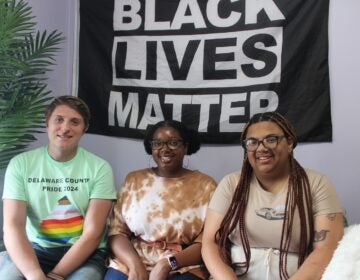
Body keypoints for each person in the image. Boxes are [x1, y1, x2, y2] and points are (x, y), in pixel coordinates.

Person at [201, 112, 344, 280]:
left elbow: (325, 249)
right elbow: (210, 242)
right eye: (252, 142)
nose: (261, 148)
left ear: (289, 143)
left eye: (271, 139)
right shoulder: (231, 184)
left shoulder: (317, 183)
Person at [0, 95, 117, 280]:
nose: (65, 128)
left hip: (83, 255)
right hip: (33, 250)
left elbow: (92, 234)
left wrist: (56, 275)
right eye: (59, 120)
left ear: (84, 129)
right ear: (47, 123)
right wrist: (34, 275)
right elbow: (13, 226)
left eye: (75, 122)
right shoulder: (21, 164)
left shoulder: (99, 168)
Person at [104, 120, 217, 280]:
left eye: (173, 142)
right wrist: (135, 265)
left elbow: (208, 242)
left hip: (184, 264)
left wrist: (167, 264)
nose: (165, 149)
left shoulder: (206, 185)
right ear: (151, 147)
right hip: (132, 259)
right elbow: (117, 232)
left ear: (186, 146)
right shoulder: (134, 180)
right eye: (158, 143)